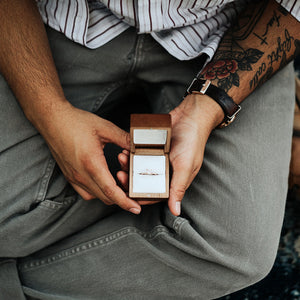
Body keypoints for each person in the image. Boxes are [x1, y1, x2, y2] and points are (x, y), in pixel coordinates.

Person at [0, 0, 299, 299]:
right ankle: (163, 196)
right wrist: (50, 112)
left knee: (238, 251)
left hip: (233, 39)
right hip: (65, 22)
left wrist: (207, 108)